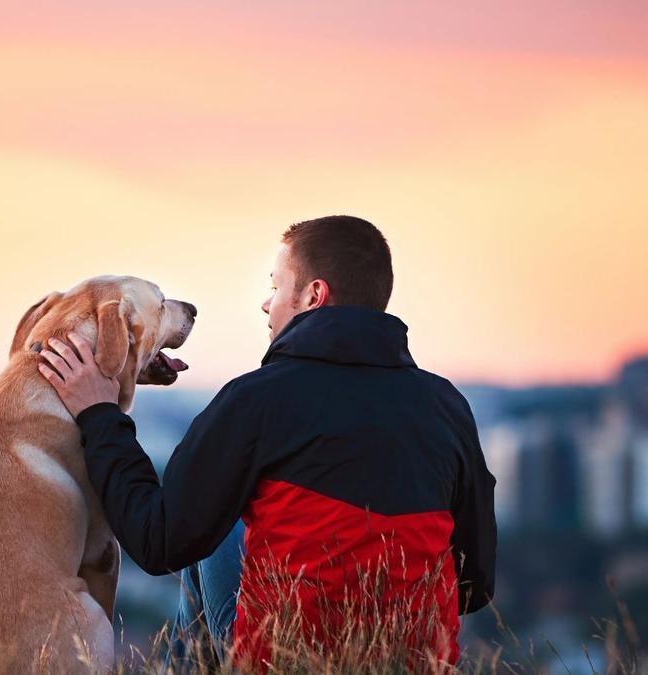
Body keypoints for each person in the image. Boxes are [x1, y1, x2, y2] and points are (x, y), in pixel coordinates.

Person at [37, 215, 496, 668]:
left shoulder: (257, 399)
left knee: (210, 533)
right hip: (412, 663)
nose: (266, 304)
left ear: (314, 295)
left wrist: (99, 414)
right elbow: (474, 581)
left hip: (286, 662)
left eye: (276, 287)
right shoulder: (446, 406)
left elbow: (158, 542)